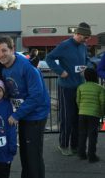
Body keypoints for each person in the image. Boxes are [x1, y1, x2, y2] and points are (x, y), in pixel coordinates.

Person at [0, 36, 50, 178]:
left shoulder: (26, 67)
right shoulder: (4, 68)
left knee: (33, 157)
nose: (1, 54)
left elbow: (36, 96)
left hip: (36, 115)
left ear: (12, 49)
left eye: (4, 50)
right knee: (25, 155)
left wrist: (16, 115)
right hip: (24, 114)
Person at [46, 22, 92, 156]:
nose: (86, 40)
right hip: (66, 88)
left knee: (79, 117)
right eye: (85, 37)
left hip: (80, 87)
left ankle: (75, 145)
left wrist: (87, 66)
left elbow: (87, 59)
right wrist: (60, 71)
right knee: (67, 118)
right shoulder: (64, 45)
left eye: (88, 38)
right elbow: (49, 58)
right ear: (77, 34)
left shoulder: (83, 46)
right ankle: (63, 145)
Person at [76, 68, 105, 163]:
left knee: (82, 134)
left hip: (82, 114)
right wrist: (101, 113)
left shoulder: (81, 87)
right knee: (92, 135)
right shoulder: (100, 88)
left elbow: (78, 101)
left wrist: (82, 109)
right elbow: (103, 102)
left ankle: (81, 154)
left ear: (85, 77)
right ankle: (92, 156)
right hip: (94, 114)